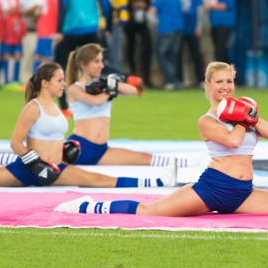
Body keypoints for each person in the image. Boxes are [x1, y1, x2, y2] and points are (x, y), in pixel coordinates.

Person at [55, 62, 268, 216]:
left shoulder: (242, 108)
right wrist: (241, 118)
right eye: (219, 82)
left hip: (242, 191)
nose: (226, 86)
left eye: (229, 81)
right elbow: (230, 142)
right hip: (213, 187)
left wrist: (249, 113)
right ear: (208, 86)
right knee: (149, 213)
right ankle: (86, 206)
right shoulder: (207, 119)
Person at [0, 64, 171, 188]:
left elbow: (55, 138)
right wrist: (35, 163)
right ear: (45, 83)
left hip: (55, 169)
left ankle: (154, 181)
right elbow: (15, 143)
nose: (63, 84)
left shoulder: (57, 108)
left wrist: (68, 149)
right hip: (28, 169)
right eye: (58, 81)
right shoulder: (32, 107)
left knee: (96, 179)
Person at [63, 44, 188, 175]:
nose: (102, 65)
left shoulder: (103, 85)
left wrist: (111, 84)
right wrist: (110, 90)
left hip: (101, 150)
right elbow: (96, 101)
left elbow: (133, 90)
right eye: (97, 61)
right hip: (79, 148)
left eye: (101, 61)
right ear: (83, 65)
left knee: (144, 158)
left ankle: (188, 163)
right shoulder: (75, 89)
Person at [53, 0, 112, 114]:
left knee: (59, 68)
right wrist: (108, 27)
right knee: (100, 67)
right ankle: (99, 104)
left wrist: (59, 30)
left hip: (71, 29)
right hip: (91, 29)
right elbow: (106, 3)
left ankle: (64, 107)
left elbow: (63, 2)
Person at [152, 0, 184, 91]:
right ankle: (177, 81)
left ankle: (170, 81)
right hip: (178, 28)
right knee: (173, 55)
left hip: (165, 28)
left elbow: (152, 11)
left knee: (162, 55)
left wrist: (155, 23)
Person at [0, 0, 28, 88]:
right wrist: (17, 8)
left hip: (17, 31)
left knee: (18, 55)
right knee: (5, 55)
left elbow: (23, 10)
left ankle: (15, 80)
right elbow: (6, 10)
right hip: (6, 31)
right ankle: (5, 81)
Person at [99, 0, 129, 72]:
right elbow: (110, 3)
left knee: (109, 51)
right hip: (112, 22)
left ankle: (110, 73)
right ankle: (114, 74)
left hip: (105, 22)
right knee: (114, 51)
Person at [26, 0, 58, 73]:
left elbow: (33, 8)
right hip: (53, 29)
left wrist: (23, 12)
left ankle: (36, 79)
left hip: (44, 31)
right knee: (47, 55)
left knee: (39, 56)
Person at [125, 0, 153, 85]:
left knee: (147, 47)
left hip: (142, 21)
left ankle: (146, 77)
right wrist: (133, 5)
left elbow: (149, 4)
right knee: (130, 48)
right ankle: (133, 75)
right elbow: (124, 4)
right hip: (130, 22)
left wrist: (144, 5)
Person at [178, 0, 205, 87]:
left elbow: (200, 11)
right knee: (177, 56)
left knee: (196, 55)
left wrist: (199, 27)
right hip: (178, 30)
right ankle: (179, 81)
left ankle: (201, 80)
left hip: (192, 29)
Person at [205, 0, 236, 64]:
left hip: (225, 23)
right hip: (215, 23)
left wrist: (213, 6)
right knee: (219, 49)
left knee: (221, 49)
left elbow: (228, 4)